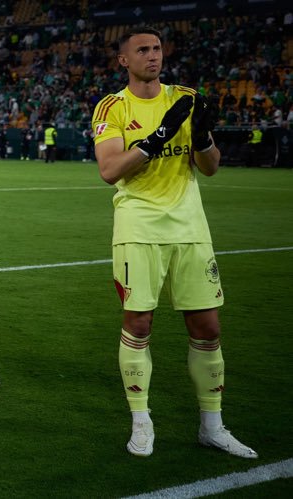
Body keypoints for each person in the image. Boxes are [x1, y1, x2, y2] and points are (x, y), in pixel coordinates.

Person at [93, 26, 254, 459]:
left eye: (157, 48)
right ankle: (141, 422)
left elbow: (212, 166)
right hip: (138, 227)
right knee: (139, 325)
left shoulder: (186, 98)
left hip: (190, 227)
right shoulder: (112, 107)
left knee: (208, 328)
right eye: (142, 49)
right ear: (123, 60)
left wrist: (200, 138)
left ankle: (213, 426)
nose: (152, 55)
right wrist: (157, 138)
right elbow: (109, 170)